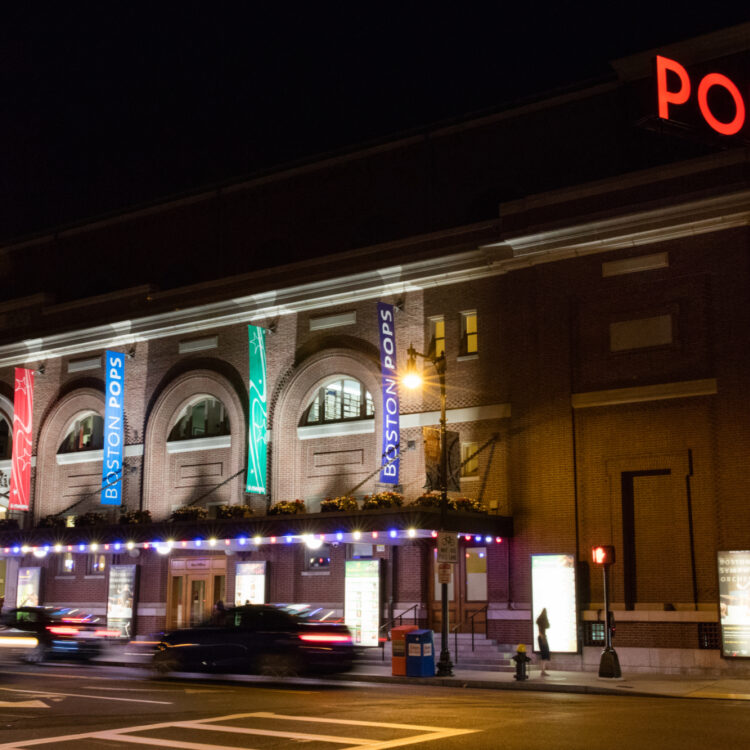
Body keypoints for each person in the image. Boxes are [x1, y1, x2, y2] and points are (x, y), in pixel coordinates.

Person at [536, 607, 551, 676]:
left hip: (542, 637)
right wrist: (542, 638)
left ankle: (543, 670)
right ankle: (542, 671)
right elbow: (545, 627)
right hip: (543, 637)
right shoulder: (542, 621)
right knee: (544, 654)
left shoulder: (540, 620)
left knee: (544, 654)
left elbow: (547, 626)